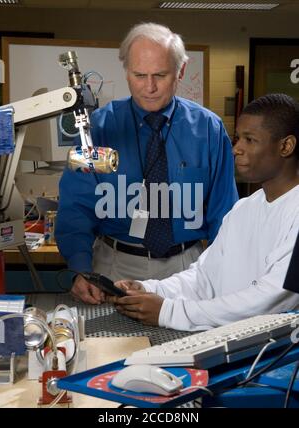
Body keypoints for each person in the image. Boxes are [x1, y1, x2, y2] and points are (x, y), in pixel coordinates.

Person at [55, 22, 238, 304]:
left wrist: (225, 274)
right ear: (126, 71)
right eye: (139, 75)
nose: (149, 87)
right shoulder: (97, 130)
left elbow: (223, 214)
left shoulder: (209, 130)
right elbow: (77, 206)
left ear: (181, 71)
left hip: (188, 267)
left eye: (160, 75)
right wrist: (80, 268)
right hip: (114, 268)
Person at [106, 93, 299, 331]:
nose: (236, 148)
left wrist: (168, 311)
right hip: (229, 342)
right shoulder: (243, 209)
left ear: (285, 146)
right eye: (237, 138)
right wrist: (150, 289)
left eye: (250, 140)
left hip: (274, 357)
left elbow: (272, 297)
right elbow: (204, 277)